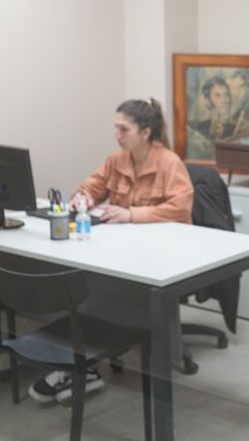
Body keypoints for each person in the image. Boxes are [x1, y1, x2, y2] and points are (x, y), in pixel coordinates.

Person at [29, 98, 194, 403]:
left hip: (159, 255)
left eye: (123, 129)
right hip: (121, 251)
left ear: (145, 132)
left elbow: (181, 208)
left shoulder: (169, 163)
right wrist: (82, 199)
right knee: (86, 281)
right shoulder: (115, 160)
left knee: (98, 291)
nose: (117, 135)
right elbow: (90, 186)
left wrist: (132, 215)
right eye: (115, 128)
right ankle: (82, 363)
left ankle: (84, 363)